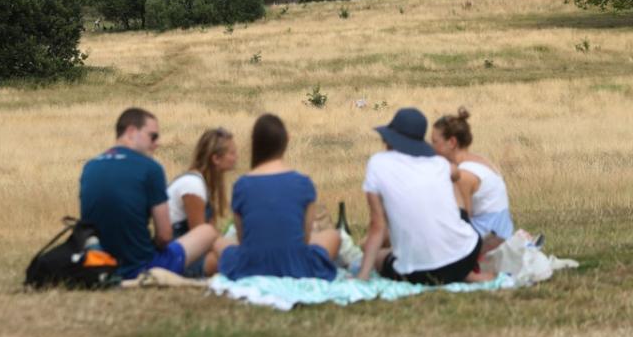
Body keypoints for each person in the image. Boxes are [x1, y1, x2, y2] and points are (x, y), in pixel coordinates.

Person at [357, 107, 494, 285]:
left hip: (419, 273)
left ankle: (453, 266)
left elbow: (378, 226)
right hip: (466, 255)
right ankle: (465, 270)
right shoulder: (438, 163)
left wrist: (363, 274)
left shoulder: (377, 163)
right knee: (450, 181)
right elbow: (456, 174)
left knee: (379, 258)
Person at [79, 108, 218, 279]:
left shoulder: (90, 166)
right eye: (153, 136)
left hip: (99, 263)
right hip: (139, 267)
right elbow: (165, 235)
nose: (157, 143)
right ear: (131, 132)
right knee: (207, 231)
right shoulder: (150, 168)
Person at [219, 114, 340, 280]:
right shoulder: (303, 183)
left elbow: (242, 239)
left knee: (220, 243)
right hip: (296, 266)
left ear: (255, 143)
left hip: (252, 266)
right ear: (285, 142)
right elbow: (304, 237)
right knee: (332, 236)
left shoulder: (241, 185)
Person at [430, 108, 515, 243]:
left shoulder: (463, 175)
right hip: (503, 234)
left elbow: (463, 221)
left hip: (486, 241)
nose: (431, 147)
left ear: (452, 142)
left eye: (435, 142)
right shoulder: (481, 160)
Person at [167, 127, 238, 277]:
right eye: (232, 153)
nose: (236, 157)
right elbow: (201, 236)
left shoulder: (203, 185)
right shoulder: (193, 186)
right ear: (216, 159)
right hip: (176, 256)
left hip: (187, 250)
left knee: (234, 255)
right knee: (227, 262)